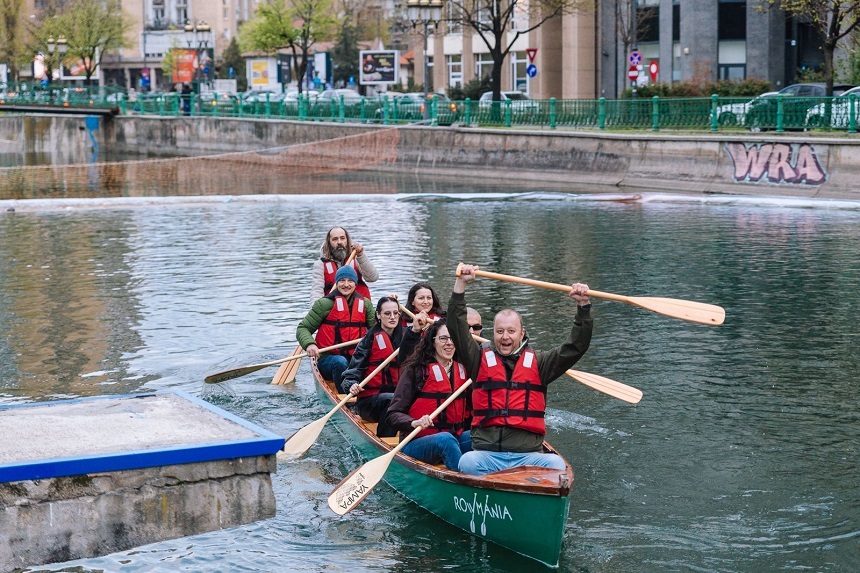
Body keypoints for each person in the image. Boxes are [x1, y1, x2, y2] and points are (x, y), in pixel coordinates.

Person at [448, 264, 593, 476]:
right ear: (493, 333)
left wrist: (583, 307)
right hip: (488, 457)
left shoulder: (540, 363)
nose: (505, 337)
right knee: (467, 461)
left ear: (521, 333)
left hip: (528, 457)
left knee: (557, 465)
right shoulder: (477, 359)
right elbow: (456, 328)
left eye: (511, 331)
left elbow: (576, 347)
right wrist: (460, 284)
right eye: (499, 331)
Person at [387, 319, 472, 471]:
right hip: (415, 444)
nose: (449, 343)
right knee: (445, 440)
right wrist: (414, 422)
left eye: (453, 338)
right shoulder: (417, 370)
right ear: (433, 342)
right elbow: (393, 414)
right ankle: (464, 483)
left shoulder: (463, 370)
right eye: (443, 338)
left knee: (482, 436)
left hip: (453, 438)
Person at [341, 296, 421, 437]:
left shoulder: (408, 337)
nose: (392, 317)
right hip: (370, 403)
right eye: (387, 313)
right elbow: (351, 374)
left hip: (400, 399)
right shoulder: (368, 340)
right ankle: (385, 440)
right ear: (378, 315)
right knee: (391, 399)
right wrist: (352, 385)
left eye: (396, 313)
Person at [296, 265, 375, 391]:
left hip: (355, 359)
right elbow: (303, 328)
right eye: (342, 281)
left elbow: (376, 331)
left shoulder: (365, 304)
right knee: (340, 362)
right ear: (336, 283)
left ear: (355, 283)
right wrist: (310, 344)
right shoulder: (324, 304)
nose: (346, 284)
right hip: (329, 359)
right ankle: (345, 396)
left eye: (350, 281)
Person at [310, 227, 379, 304]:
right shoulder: (321, 264)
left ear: (347, 240)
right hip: (335, 311)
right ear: (329, 243)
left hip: (360, 309)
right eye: (335, 239)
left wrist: (361, 256)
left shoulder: (356, 258)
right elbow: (316, 291)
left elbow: (373, 278)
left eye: (342, 238)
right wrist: (316, 311)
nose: (339, 242)